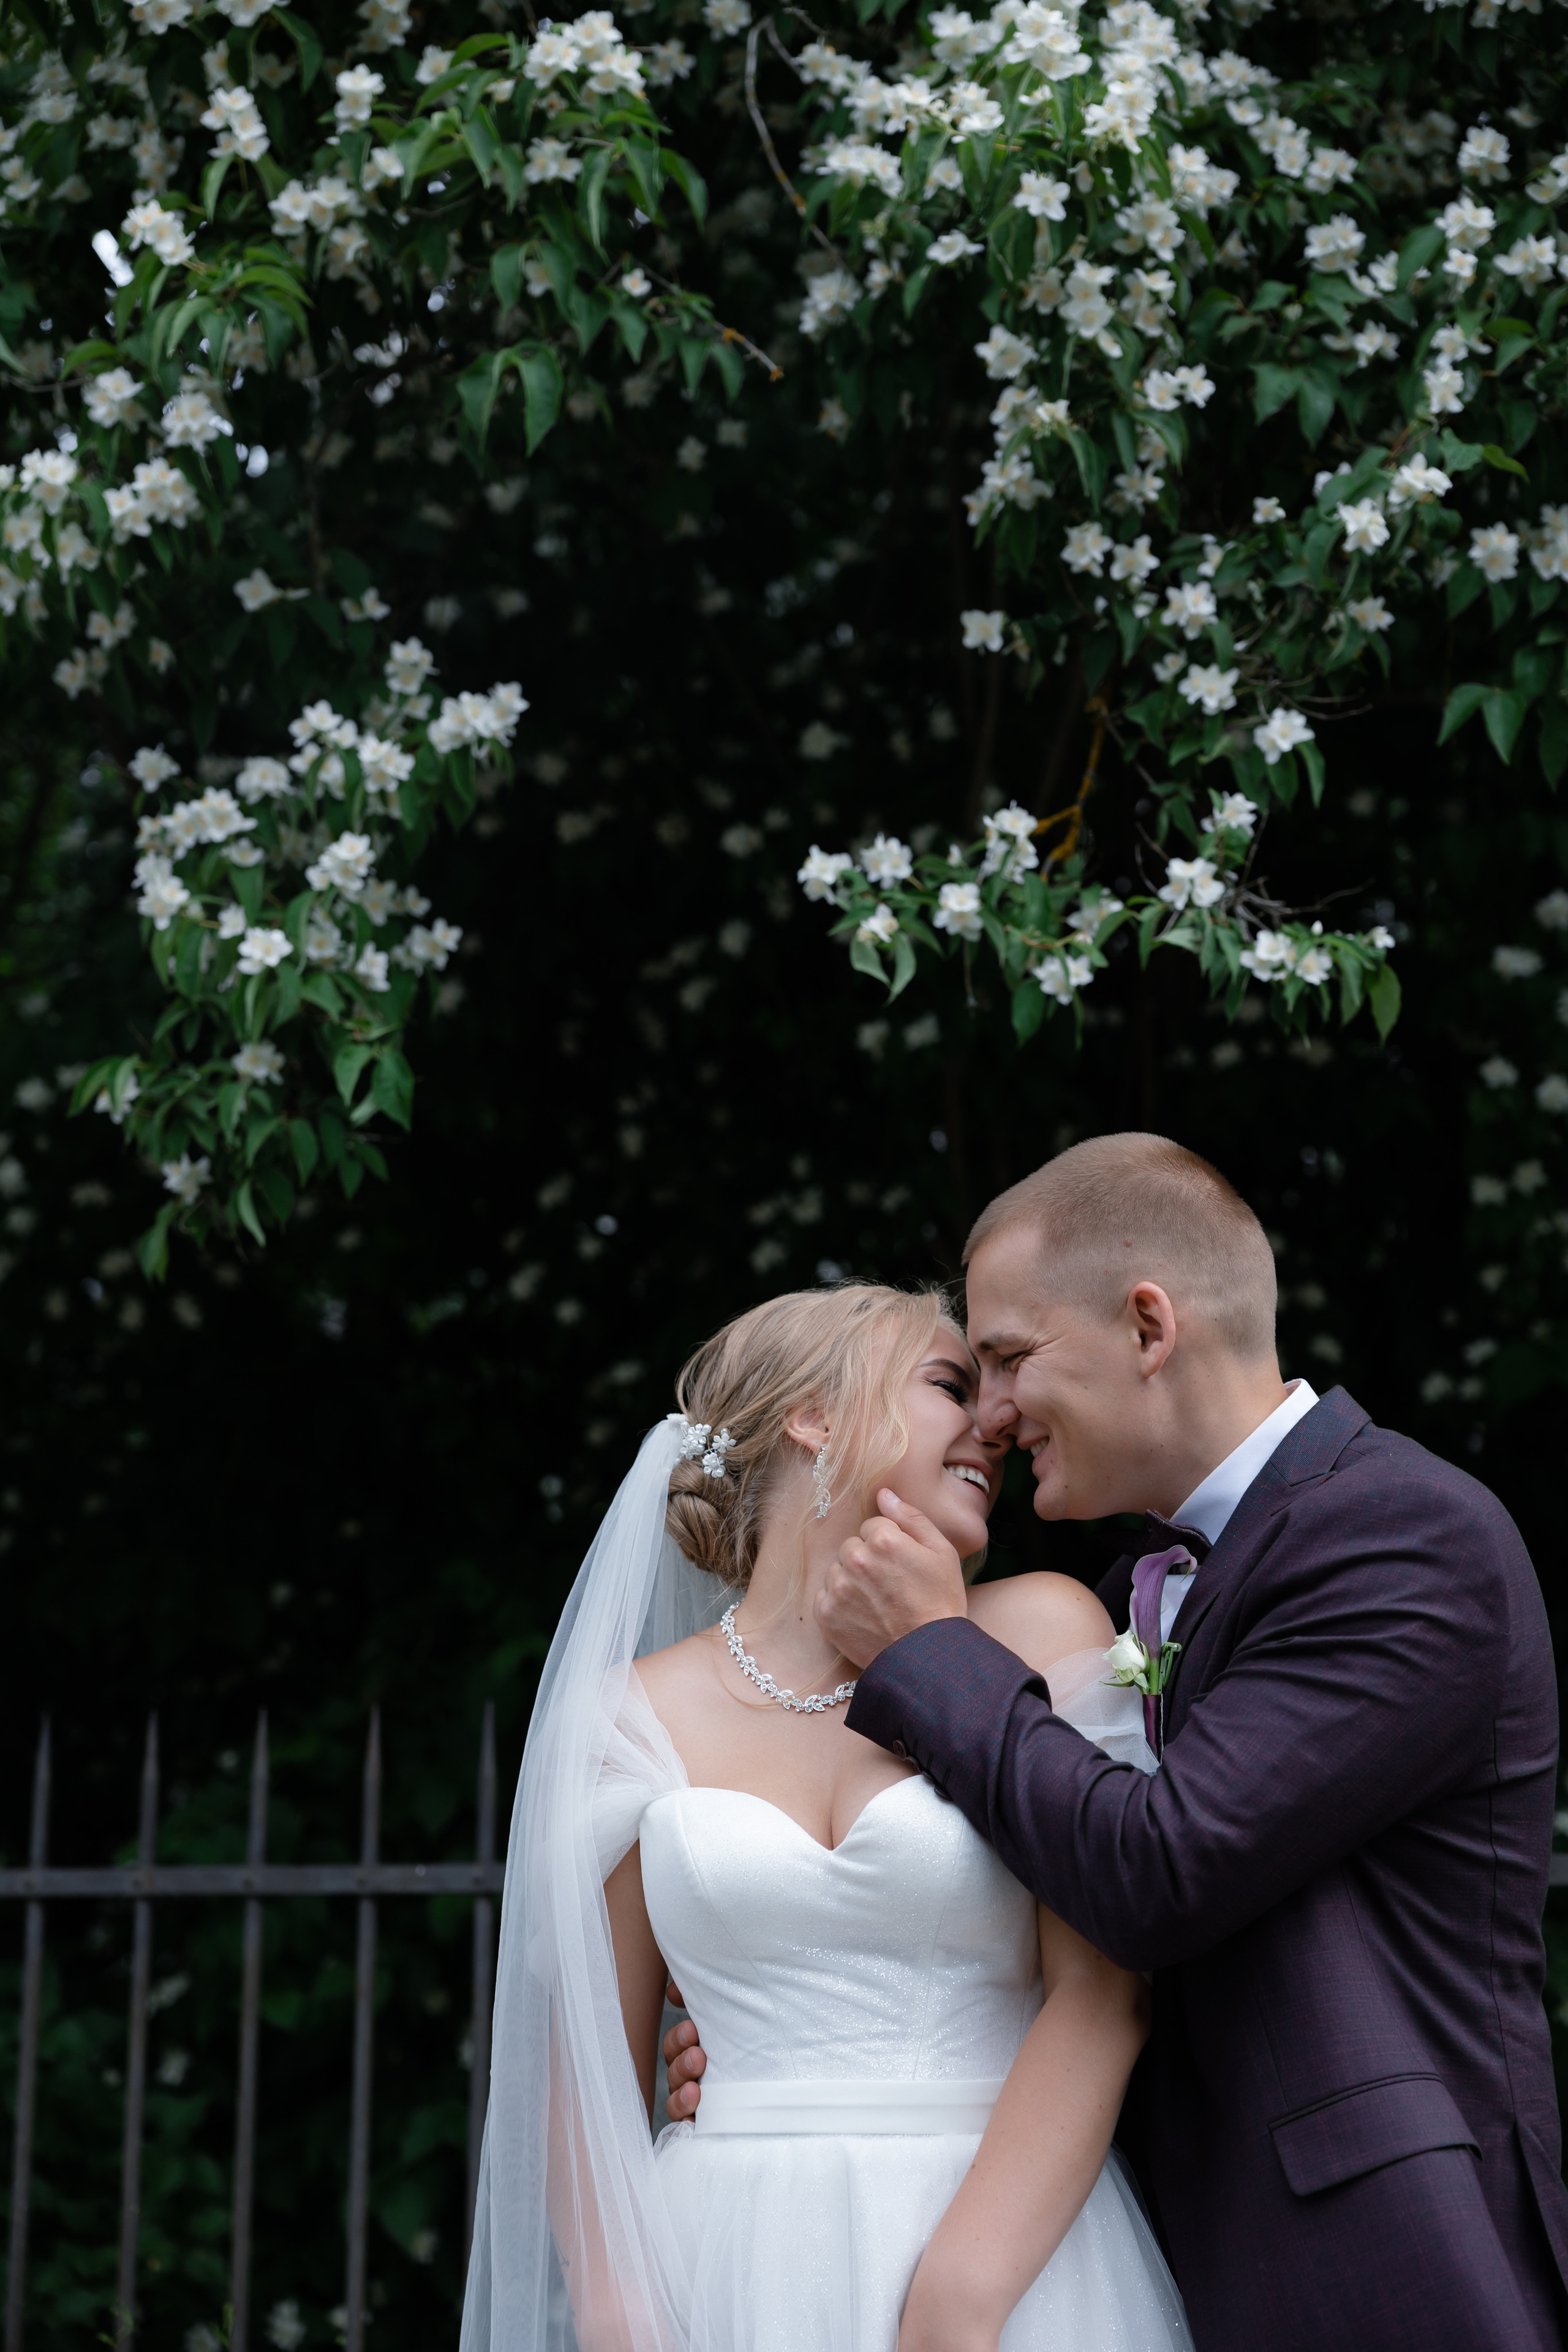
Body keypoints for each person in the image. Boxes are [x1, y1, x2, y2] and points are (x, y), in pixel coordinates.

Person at [759, 1131, 1564, 2352]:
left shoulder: (1404, 1536)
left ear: (1147, 1328)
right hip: (1158, 2263)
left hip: (1375, 2272)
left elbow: (1156, 1871)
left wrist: (927, 1646)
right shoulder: (1129, 1590)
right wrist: (785, 2027)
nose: (990, 1415)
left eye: (1008, 1359)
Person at [461, 1281, 1194, 2352]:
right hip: (724, 2263)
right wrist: (625, 2320)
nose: (994, 1422)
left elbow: (1102, 1994)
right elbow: (584, 2071)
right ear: (813, 1416)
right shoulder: (627, 1718)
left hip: (1014, 2263)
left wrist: (959, 2303)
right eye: (949, 1384)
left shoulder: (1042, 1633)